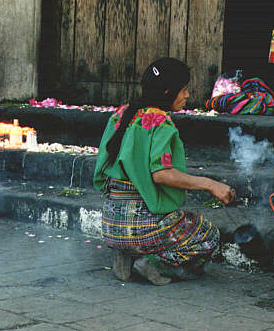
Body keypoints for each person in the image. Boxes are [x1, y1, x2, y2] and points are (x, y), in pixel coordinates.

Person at [93, 58, 234, 285]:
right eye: (184, 89)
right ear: (168, 91)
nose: (187, 95)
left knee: (160, 223)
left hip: (111, 224)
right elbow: (161, 174)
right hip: (140, 226)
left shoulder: (121, 114)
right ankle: (153, 264)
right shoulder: (160, 121)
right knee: (207, 235)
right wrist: (210, 184)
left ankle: (124, 256)